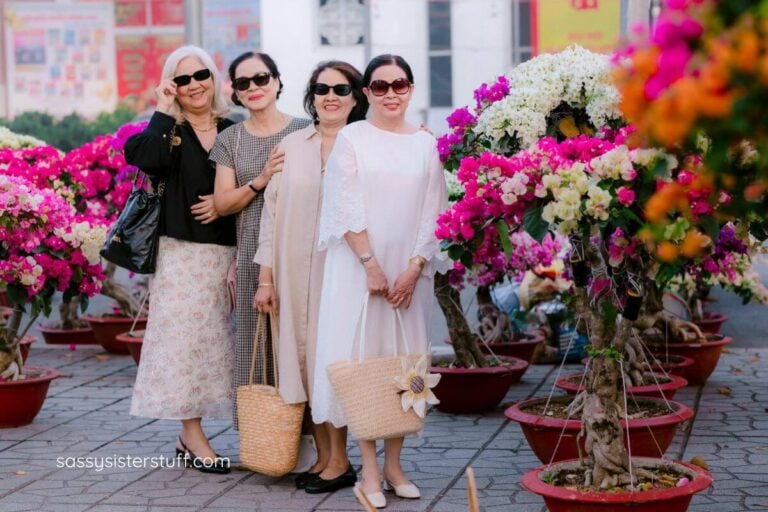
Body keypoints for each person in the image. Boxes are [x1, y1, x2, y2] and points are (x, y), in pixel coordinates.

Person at [311, 54, 449, 508]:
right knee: (364, 364)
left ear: (411, 89)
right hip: (360, 271)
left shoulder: (426, 144)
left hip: (410, 272)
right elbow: (344, 207)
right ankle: (369, 469)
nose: (391, 93)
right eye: (381, 85)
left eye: (401, 84)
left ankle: (395, 465)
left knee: (403, 365)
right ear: (366, 91)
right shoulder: (352, 138)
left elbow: (435, 210)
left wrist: (413, 267)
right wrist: (370, 264)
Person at [253, 61, 368, 493]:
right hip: (290, 272)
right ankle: (324, 457)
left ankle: (341, 461)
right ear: (312, 95)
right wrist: (265, 279)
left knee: (330, 361)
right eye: (322, 88)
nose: (331, 96)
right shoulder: (292, 146)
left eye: (341, 89)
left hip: (341, 274)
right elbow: (271, 213)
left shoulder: (363, 145)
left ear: (356, 97)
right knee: (300, 362)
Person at [126, 45, 236, 474]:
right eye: (183, 79)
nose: (194, 85)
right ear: (173, 85)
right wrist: (162, 108)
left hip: (229, 254)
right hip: (182, 255)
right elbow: (145, 158)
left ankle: (190, 436)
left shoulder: (233, 129)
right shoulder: (167, 133)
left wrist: (225, 205)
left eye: (201, 75)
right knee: (186, 346)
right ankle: (192, 433)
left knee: (218, 347)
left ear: (214, 78)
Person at [210, 52, 311, 428]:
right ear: (235, 92)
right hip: (254, 255)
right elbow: (221, 203)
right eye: (243, 83)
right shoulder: (230, 140)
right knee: (257, 348)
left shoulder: (306, 130)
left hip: (302, 253)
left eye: (261, 78)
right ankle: (265, 438)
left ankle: (310, 441)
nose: (254, 88)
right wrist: (261, 178)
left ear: (277, 81)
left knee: (301, 346)